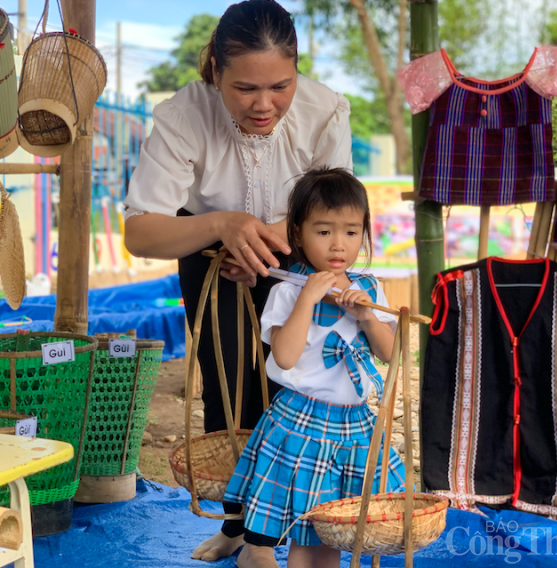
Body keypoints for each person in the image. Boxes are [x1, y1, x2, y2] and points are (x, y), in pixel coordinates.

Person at [123, 1, 352, 566]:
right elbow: (140, 231)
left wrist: (275, 239)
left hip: (297, 260)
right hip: (209, 257)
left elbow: (340, 212)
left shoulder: (326, 112)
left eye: (280, 85)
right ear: (215, 73)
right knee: (226, 386)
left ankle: (274, 538)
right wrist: (225, 227)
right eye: (245, 88)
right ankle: (237, 524)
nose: (264, 104)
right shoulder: (183, 116)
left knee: (291, 390)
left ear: (297, 70)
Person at [223, 168, 407, 568]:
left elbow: (392, 354)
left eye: (351, 232)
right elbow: (284, 357)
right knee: (307, 530)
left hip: (355, 426)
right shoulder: (288, 289)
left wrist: (367, 317)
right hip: (301, 422)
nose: (338, 244)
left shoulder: (369, 288)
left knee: (336, 530)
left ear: (364, 234)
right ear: (297, 234)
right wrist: (308, 298)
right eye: (323, 231)